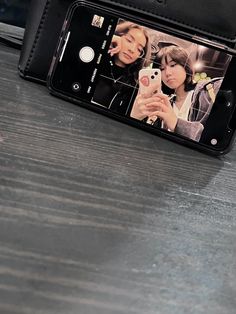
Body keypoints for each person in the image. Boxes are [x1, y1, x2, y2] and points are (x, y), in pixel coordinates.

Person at [130, 45, 222, 141]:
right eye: (161, 69)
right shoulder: (164, 104)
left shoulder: (210, 90)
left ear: (185, 65)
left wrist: (176, 123)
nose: (168, 73)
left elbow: (216, 139)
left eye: (173, 65)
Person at [92, 21, 151, 115]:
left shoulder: (135, 85)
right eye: (129, 40)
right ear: (118, 36)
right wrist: (108, 38)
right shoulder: (97, 57)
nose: (132, 50)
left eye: (139, 49)